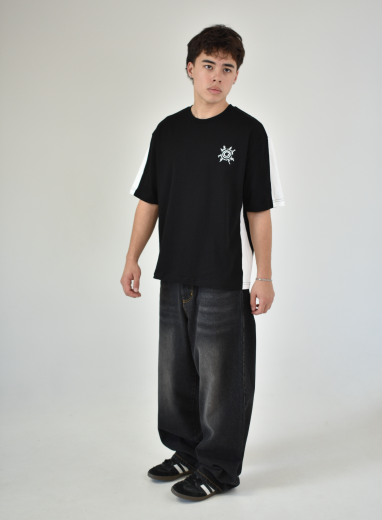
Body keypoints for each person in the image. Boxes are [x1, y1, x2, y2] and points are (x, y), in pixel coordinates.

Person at [120, 24, 285, 502]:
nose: (216, 76)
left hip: (224, 276)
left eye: (226, 69)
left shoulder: (248, 133)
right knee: (176, 376)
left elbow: (259, 210)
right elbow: (148, 200)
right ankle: (186, 451)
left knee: (222, 379)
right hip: (174, 272)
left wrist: (264, 275)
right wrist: (132, 257)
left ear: (236, 76)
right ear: (190, 69)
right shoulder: (167, 132)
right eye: (208, 66)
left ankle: (219, 466)